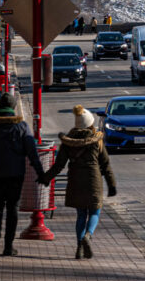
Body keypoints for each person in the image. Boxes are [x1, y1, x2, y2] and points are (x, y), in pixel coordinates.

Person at [40, 105, 117, 260]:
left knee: (81, 214)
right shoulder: (97, 141)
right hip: (93, 179)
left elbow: (59, 164)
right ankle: (88, 236)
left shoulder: (68, 141)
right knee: (94, 211)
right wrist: (111, 184)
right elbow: (106, 165)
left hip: (75, 179)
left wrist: (46, 178)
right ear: (90, 123)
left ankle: (79, 248)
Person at [0, 93, 46, 256]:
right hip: (16, 173)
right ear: (13, 107)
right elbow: (32, 152)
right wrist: (41, 173)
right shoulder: (21, 126)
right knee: (12, 208)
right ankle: (8, 245)